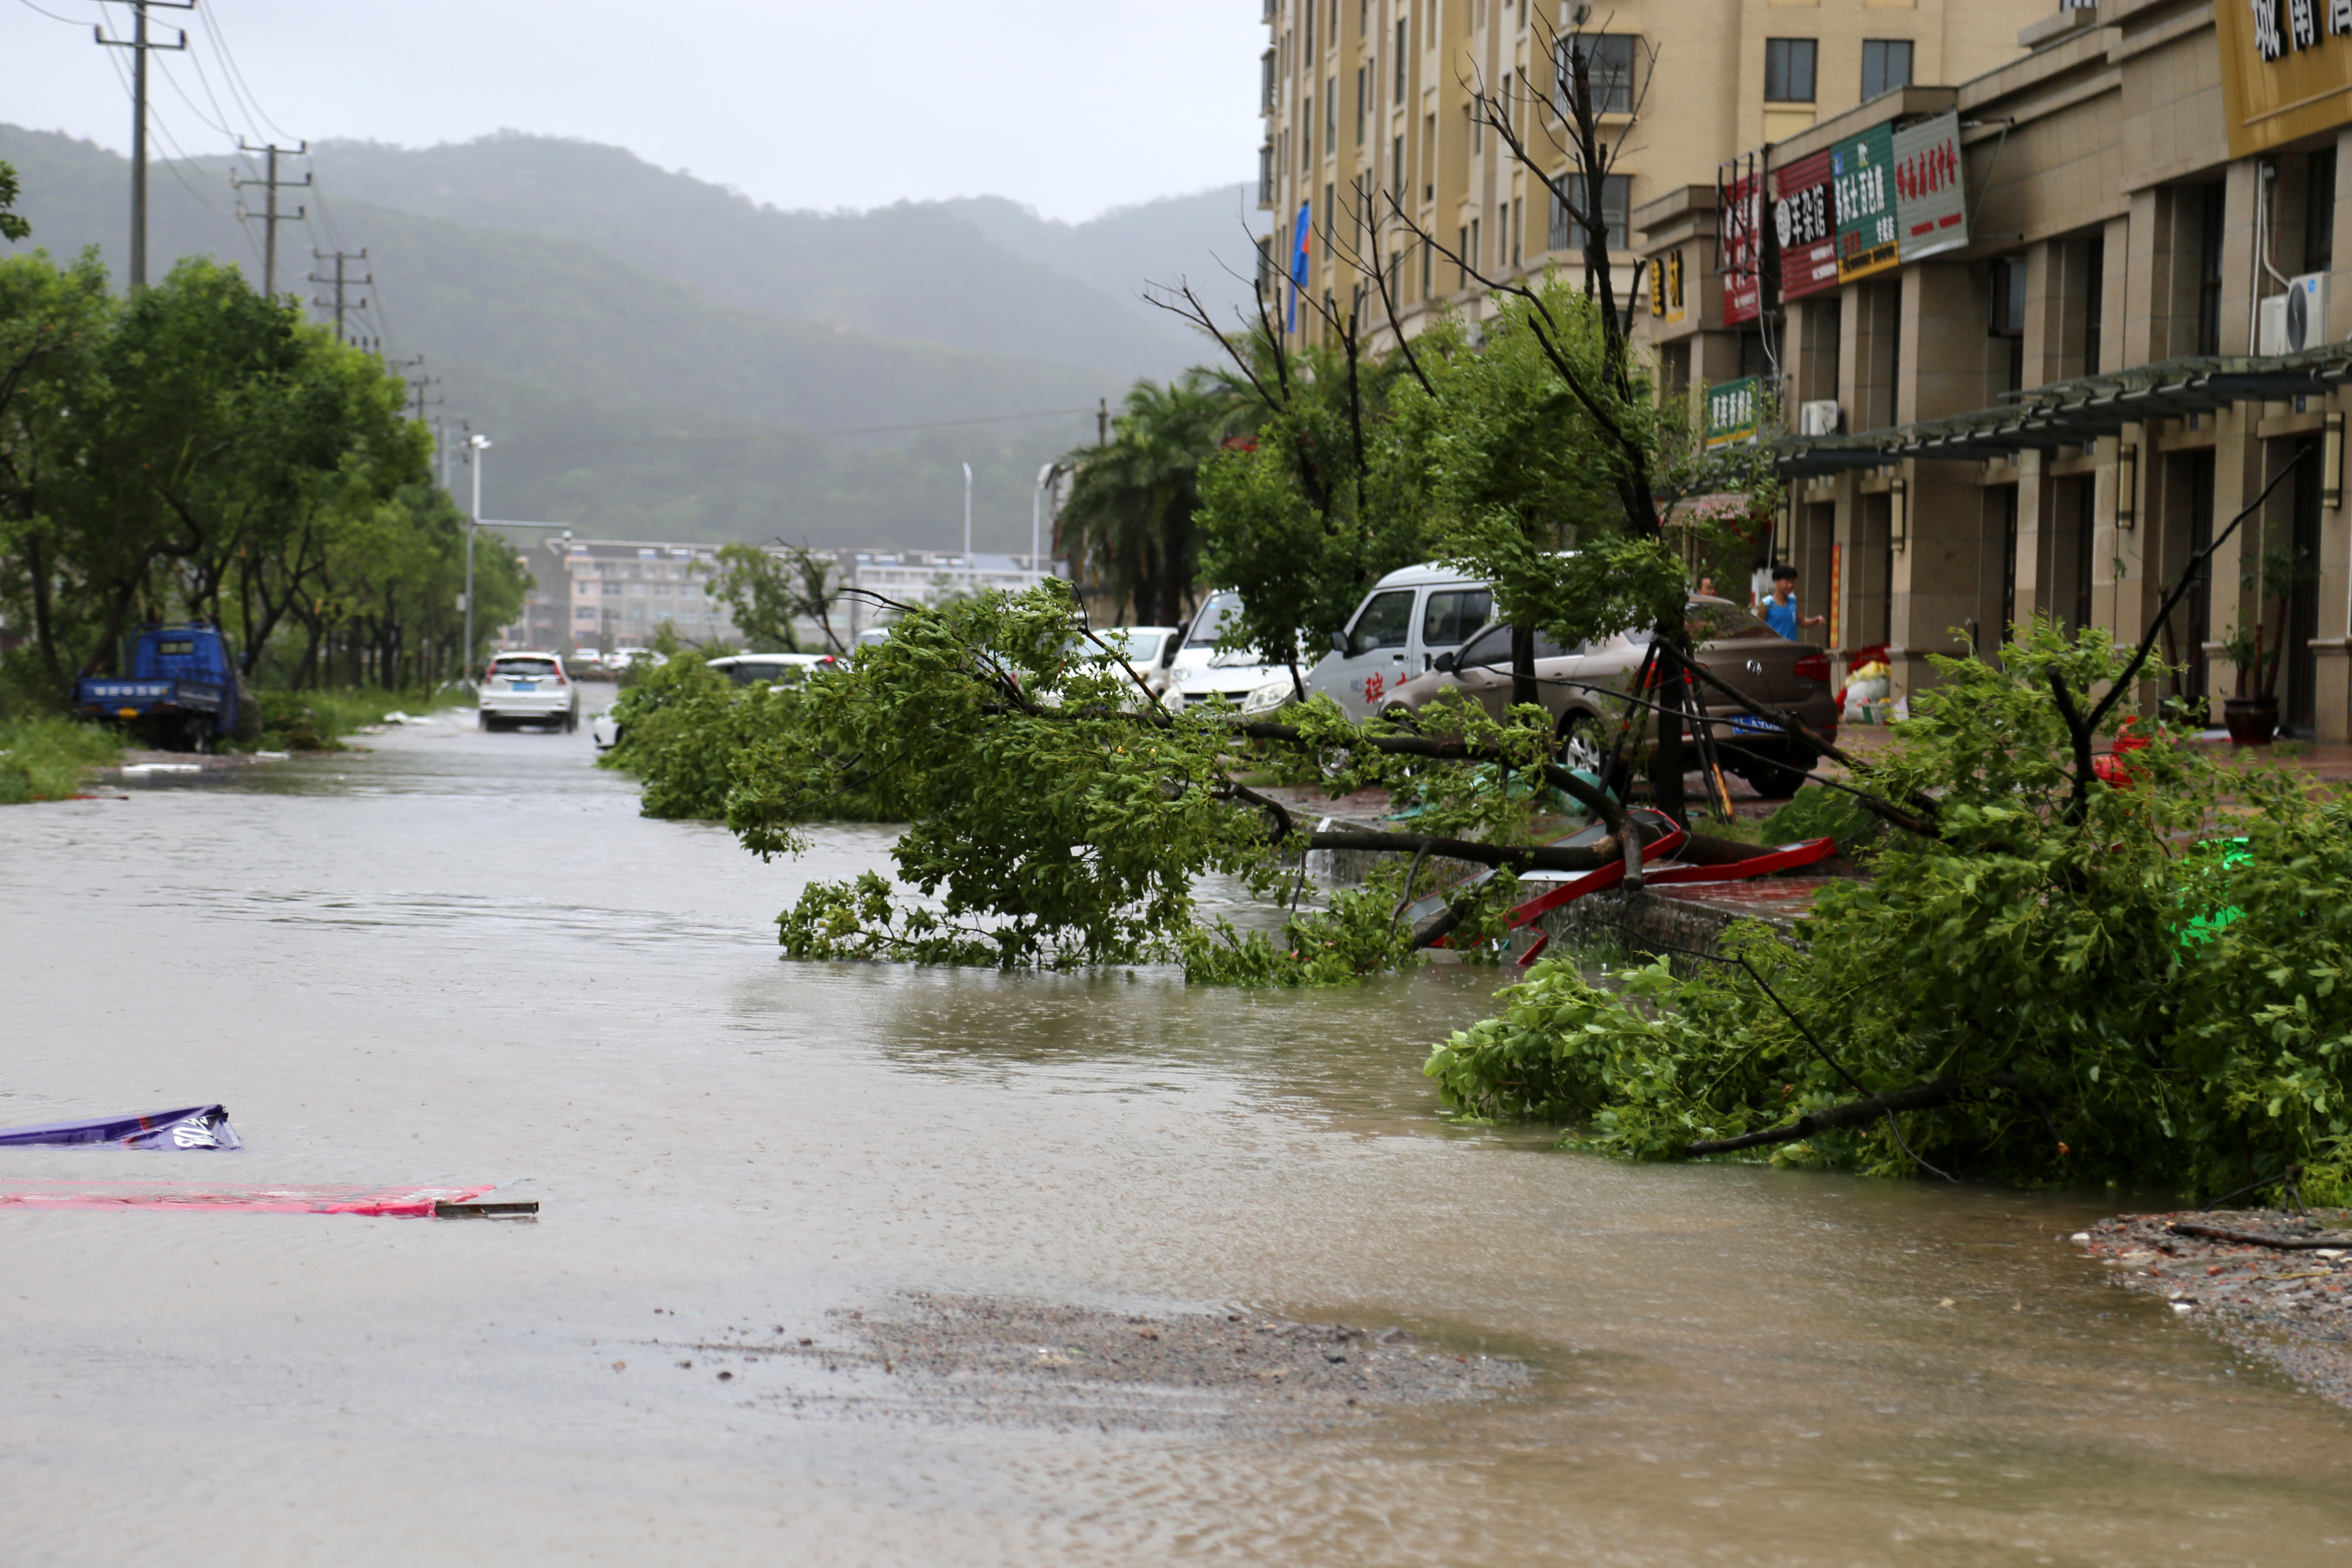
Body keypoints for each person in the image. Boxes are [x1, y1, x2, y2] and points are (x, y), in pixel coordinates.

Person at [1761, 563, 1825, 642]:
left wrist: (1816, 621)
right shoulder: (1767, 604)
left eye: (1793, 583)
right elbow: (1758, 628)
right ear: (1777, 582)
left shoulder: (1793, 600)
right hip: (1774, 650)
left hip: (1792, 649)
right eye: (1787, 583)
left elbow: (1802, 621)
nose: (1791, 586)